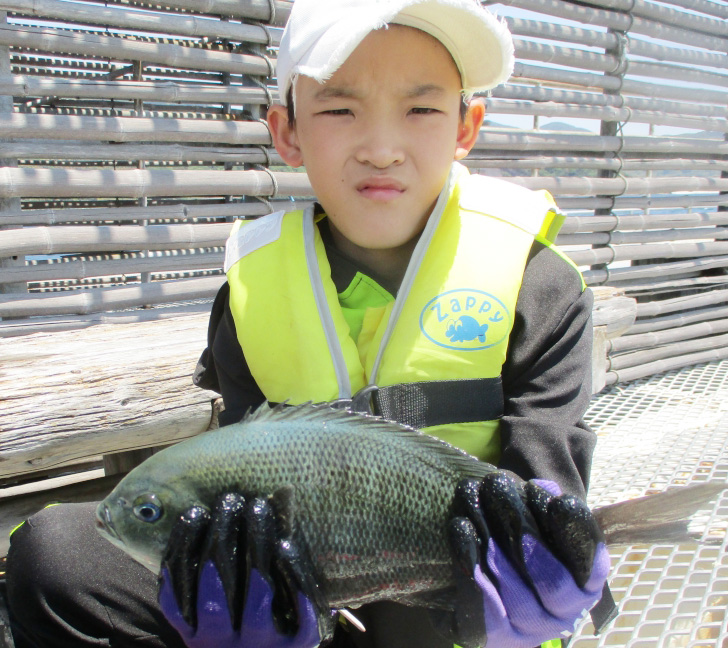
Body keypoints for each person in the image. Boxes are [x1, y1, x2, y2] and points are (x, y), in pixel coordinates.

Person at [5, 1, 611, 647]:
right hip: (309, 600)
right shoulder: (249, 294)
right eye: (340, 110)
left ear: (466, 126)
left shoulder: (540, 285)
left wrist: (540, 593)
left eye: (421, 109)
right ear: (286, 132)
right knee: (58, 556)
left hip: (457, 611)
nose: (382, 150)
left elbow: (547, 489)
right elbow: (243, 473)